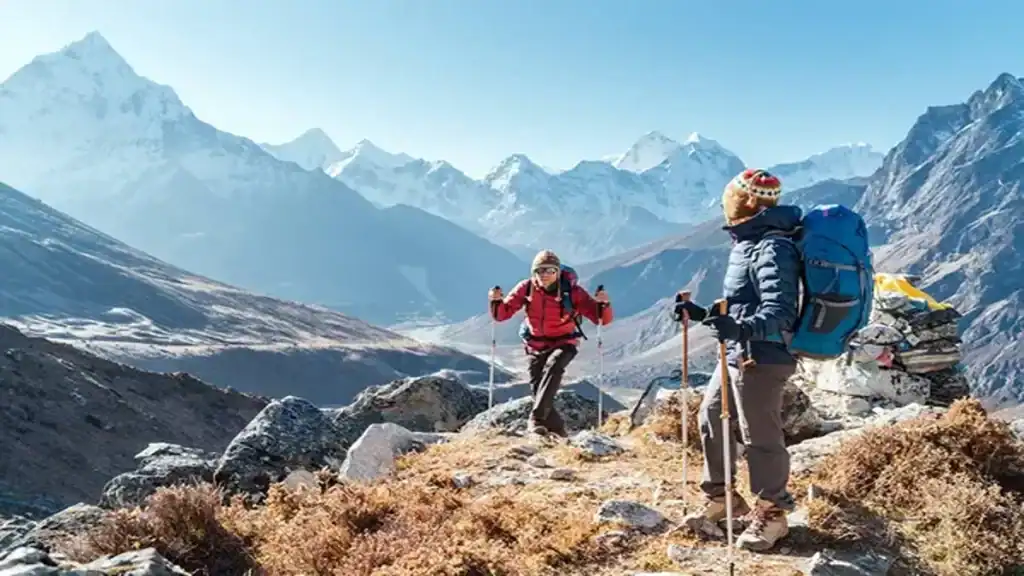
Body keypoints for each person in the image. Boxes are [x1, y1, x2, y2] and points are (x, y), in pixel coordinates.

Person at [672, 168, 801, 552]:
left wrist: (742, 330)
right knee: (711, 417)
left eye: (730, 198)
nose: (724, 206)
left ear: (745, 202)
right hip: (739, 352)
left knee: (760, 436)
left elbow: (780, 312)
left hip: (763, 356)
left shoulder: (773, 248)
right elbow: (744, 304)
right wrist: (699, 314)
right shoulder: (748, 243)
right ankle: (721, 499)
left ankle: (772, 515)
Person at [489, 249, 613, 437]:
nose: (544, 275)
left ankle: (535, 420)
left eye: (550, 271)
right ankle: (558, 432)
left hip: (565, 341)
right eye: (540, 271)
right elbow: (502, 314)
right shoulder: (527, 288)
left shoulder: (573, 292)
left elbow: (599, 318)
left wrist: (604, 305)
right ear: (533, 273)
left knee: (555, 367)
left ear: (558, 272)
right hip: (535, 343)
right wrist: (496, 302)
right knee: (539, 389)